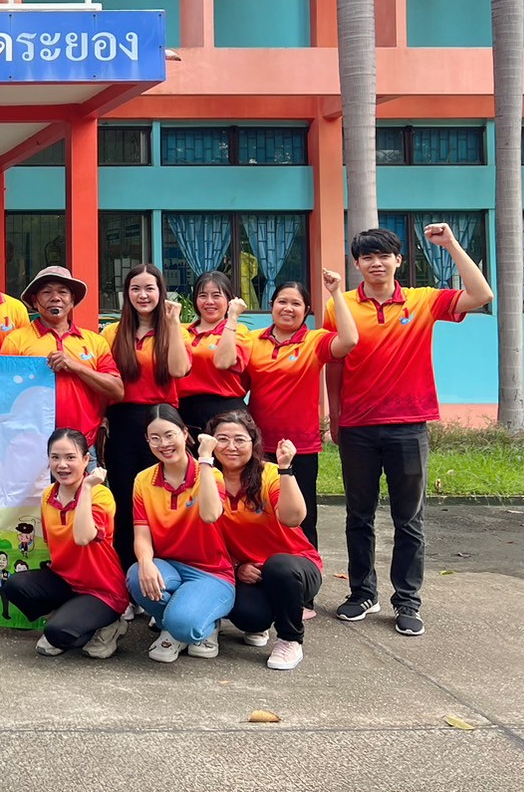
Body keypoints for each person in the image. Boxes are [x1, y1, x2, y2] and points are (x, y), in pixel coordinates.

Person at [325, 224, 493, 636]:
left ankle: (407, 601)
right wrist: (335, 415)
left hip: (408, 426)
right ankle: (363, 593)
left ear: (398, 260)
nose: (376, 263)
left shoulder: (422, 301)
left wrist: (450, 244)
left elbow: (481, 295)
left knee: (409, 519)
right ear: (357, 264)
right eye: (367, 257)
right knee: (358, 515)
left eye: (384, 256)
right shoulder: (340, 304)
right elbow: (334, 362)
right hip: (358, 426)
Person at [240, 271, 359, 548]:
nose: (288, 308)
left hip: (300, 447)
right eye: (282, 301)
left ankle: (307, 569)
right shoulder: (252, 341)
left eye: (296, 304)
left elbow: (349, 341)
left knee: (302, 518)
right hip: (256, 446)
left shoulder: (315, 341)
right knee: (257, 514)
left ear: (306, 311)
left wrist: (336, 292)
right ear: (271, 305)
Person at [209, 410, 322, 672]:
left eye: (240, 439)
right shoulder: (208, 480)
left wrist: (286, 469)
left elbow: (293, 518)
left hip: (295, 567)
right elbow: (206, 537)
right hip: (250, 571)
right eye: (222, 439)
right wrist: (237, 567)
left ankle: (290, 639)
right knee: (248, 616)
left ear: (253, 442)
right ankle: (265, 620)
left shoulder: (269, 473)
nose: (231, 447)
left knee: (278, 566)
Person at [101, 264, 191, 577]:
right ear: (126, 293)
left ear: (161, 292)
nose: (143, 295)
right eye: (135, 288)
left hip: (162, 422)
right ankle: (129, 574)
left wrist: (174, 322)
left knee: (162, 499)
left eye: (150, 288)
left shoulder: (174, 330)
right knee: (125, 500)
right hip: (123, 422)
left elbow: (179, 370)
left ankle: (164, 573)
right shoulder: (112, 333)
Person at [6, 429, 129, 658]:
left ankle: (110, 625)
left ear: (86, 459)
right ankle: (67, 618)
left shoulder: (100, 495)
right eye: (55, 457)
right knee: (14, 585)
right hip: (66, 581)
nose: (62, 465)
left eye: (70, 457)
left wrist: (87, 488)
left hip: (102, 590)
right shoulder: (48, 495)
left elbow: (82, 537)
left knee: (58, 634)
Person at [127, 409, 233, 663]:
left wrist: (205, 459)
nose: (163, 444)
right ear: (147, 440)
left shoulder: (210, 474)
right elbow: (142, 533)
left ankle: (203, 622)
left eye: (169, 435)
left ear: (185, 434)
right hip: (170, 567)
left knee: (184, 625)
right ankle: (177, 620)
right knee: (136, 576)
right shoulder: (143, 480)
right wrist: (145, 562)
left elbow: (210, 515)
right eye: (155, 438)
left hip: (211, 572)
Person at [1, 266, 122, 443]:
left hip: (84, 443)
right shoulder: (15, 341)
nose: (55, 297)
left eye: (63, 292)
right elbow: (4, 393)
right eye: (47, 292)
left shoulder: (95, 342)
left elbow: (117, 390)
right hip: (30, 443)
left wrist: (77, 367)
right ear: (35, 301)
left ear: (72, 300)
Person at [175, 271, 250, 436]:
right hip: (184, 413)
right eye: (203, 295)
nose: (209, 301)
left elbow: (223, 362)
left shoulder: (239, 331)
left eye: (216, 295)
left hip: (225, 413)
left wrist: (232, 317)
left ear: (229, 300)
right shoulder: (182, 331)